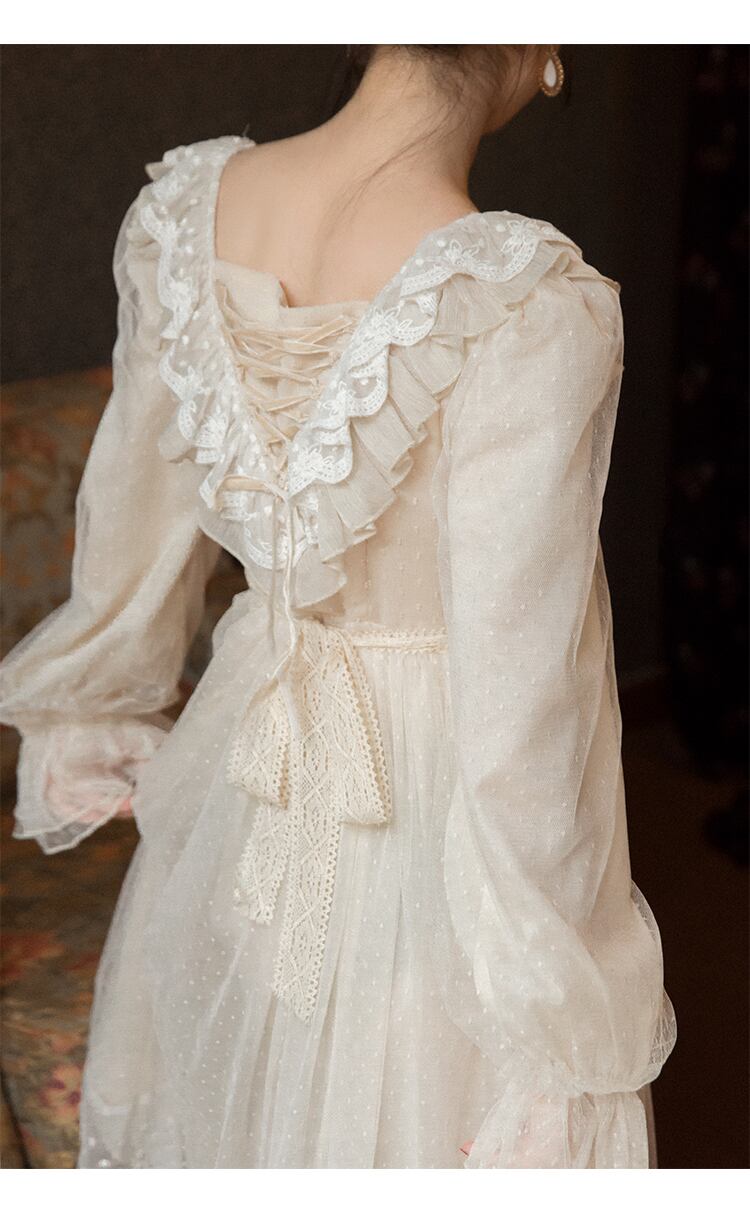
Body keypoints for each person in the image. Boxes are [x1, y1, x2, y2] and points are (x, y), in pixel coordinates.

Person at [0, 44, 676, 1168]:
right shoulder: (529, 304)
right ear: (546, 47)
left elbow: (127, 520)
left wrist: (94, 700)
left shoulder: (181, 216)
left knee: (244, 1104)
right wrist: (556, 1006)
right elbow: (522, 702)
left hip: (248, 746)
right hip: (428, 806)